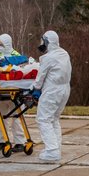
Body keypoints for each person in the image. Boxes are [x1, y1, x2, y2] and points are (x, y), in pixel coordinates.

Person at [30, 30, 72, 162]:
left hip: (52, 91)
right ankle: (55, 148)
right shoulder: (64, 54)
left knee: (43, 119)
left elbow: (39, 78)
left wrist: (34, 88)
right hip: (65, 89)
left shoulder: (49, 58)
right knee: (53, 119)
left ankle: (52, 151)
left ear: (47, 42)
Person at [0, 33, 27, 152]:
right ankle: (1, 140)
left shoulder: (16, 56)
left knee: (16, 117)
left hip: (15, 91)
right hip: (0, 90)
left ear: (7, 44)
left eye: (0, 44)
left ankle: (20, 142)